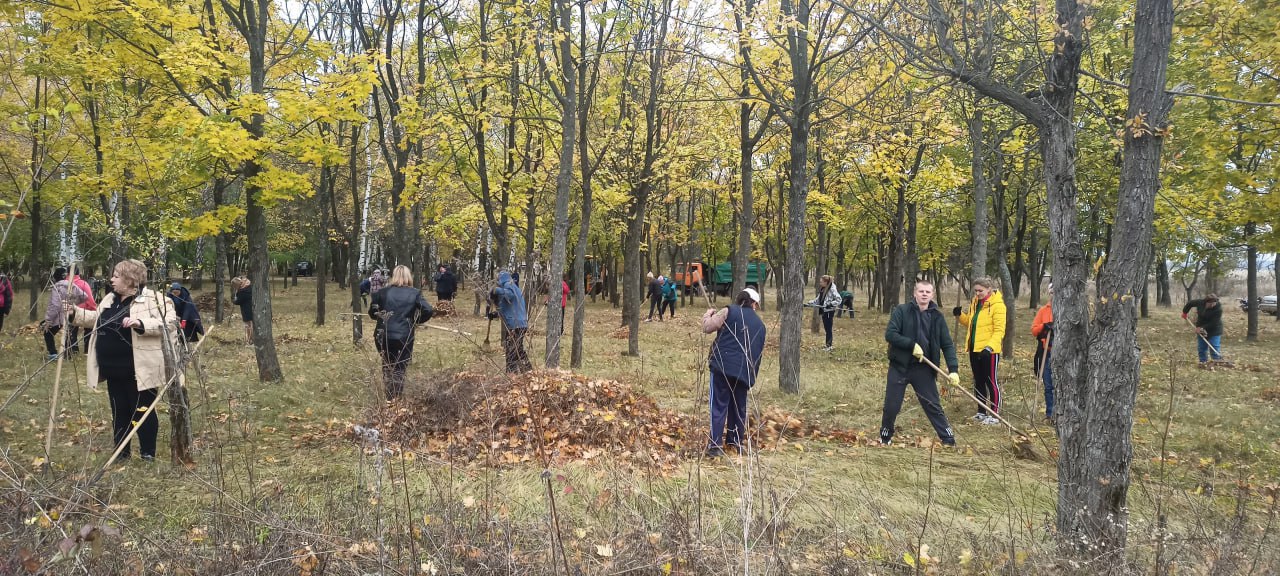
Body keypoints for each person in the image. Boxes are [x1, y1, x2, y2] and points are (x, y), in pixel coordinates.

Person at [67, 259, 182, 462]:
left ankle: (147, 453)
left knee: (141, 411)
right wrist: (75, 313)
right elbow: (98, 319)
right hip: (112, 369)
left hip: (138, 369)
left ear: (130, 280)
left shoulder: (154, 300)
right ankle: (122, 453)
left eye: (116, 276)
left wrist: (141, 323)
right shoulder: (110, 300)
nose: (111, 279)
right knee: (119, 411)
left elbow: (170, 322)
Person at [881, 281, 959, 446]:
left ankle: (948, 439)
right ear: (914, 293)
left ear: (932, 295)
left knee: (933, 405)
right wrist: (911, 345)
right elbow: (890, 334)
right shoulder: (901, 311)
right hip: (899, 367)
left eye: (928, 292)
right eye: (921, 291)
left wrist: (953, 370)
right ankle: (885, 436)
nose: (924, 294)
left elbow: (947, 345)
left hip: (923, 368)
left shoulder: (937, 317)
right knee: (891, 406)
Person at [701, 288, 766, 457]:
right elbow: (757, 353)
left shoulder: (728, 311)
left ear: (740, 299)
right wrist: (751, 377)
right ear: (754, 304)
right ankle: (735, 442)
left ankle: (715, 445)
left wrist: (708, 314)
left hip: (722, 366)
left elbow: (707, 328)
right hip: (744, 372)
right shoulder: (761, 326)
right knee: (738, 408)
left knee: (718, 405)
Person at [369, 265, 434, 399]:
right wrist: (415, 321)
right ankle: (395, 399)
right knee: (400, 367)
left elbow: (372, 313)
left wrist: (381, 316)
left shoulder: (382, 292)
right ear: (408, 276)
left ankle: (390, 396)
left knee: (387, 363)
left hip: (383, 335)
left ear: (394, 276)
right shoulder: (414, 293)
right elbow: (428, 310)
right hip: (403, 336)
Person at [954, 276, 1006, 425]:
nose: (977, 293)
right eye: (975, 290)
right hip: (974, 348)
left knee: (991, 381)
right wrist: (960, 316)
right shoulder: (975, 303)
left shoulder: (998, 306)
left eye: (980, 291)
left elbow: (999, 330)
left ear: (989, 289)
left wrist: (989, 347)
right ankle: (981, 411)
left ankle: (995, 414)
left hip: (990, 351)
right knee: (979, 381)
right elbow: (971, 323)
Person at [492, 270, 532, 373]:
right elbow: (509, 306)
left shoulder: (508, 286)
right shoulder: (515, 288)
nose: (497, 281)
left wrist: (496, 290)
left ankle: (511, 374)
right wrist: (495, 313)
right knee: (517, 349)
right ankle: (528, 372)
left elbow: (509, 295)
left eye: (497, 279)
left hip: (515, 324)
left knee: (511, 351)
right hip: (520, 323)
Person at [43, 267, 88, 360]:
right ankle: (69, 354)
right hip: (71, 314)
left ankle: (53, 353)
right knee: (69, 333)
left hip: (59, 316)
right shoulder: (72, 285)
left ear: (55, 277)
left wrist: (48, 320)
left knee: (48, 332)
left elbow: (54, 305)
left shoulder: (57, 288)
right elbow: (84, 296)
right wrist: (73, 303)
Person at [1032, 283, 1055, 422]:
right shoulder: (1043, 311)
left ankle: (1062, 414)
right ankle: (1050, 414)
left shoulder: (1069, 310)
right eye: (1051, 292)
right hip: (1047, 352)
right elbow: (1034, 330)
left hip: (1064, 355)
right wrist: (1044, 327)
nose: (1054, 295)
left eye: (1056, 292)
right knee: (1048, 385)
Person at [1182, 293, 1223, 365]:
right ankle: (1203, 362)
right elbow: (1190, 303)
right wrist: (1185, 312)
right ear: (1206, 302)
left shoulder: (1218, 309)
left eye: (1214, 303)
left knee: (1214, 346)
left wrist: (1202, 328)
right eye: (1210, 304)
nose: (1212, 305)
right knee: (1202, 347)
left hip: (1214, 329)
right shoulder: (1200, 302)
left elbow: (1214, 323)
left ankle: (1216, 362)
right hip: (1200, 326)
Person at [806, 274, 842, 350]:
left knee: (828, 329)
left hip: (829, 311)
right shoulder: (823, 289)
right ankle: (827, 345)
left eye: (821, 282)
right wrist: (809, 303)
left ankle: (829, 346)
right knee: (826, 328)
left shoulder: (832, 289)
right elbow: (818, 300)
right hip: (824, 310)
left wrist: (831, 304)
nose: (820, 283)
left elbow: (839, 299)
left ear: (826, 282)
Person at [67, 271, 99, 353]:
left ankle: (73, 350)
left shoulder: (64, 284)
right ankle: (87, 350)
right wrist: (94, 309)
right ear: (78, 273)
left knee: (71, 332)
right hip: (84, 311)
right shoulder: (83, 284)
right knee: (88, 330)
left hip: (69, 311)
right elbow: (89, 298)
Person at [231, 276, 253, 344]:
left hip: (246, 309)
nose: (234, 288)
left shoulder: (242, 291)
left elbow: (239, 301)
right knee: (250, 324)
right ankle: (249, 339)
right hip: (251, 306)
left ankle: (249, 340)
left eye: (234, 286)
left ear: (236, 285)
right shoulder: (248, 286)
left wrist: (234, 301)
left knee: (248, 325)